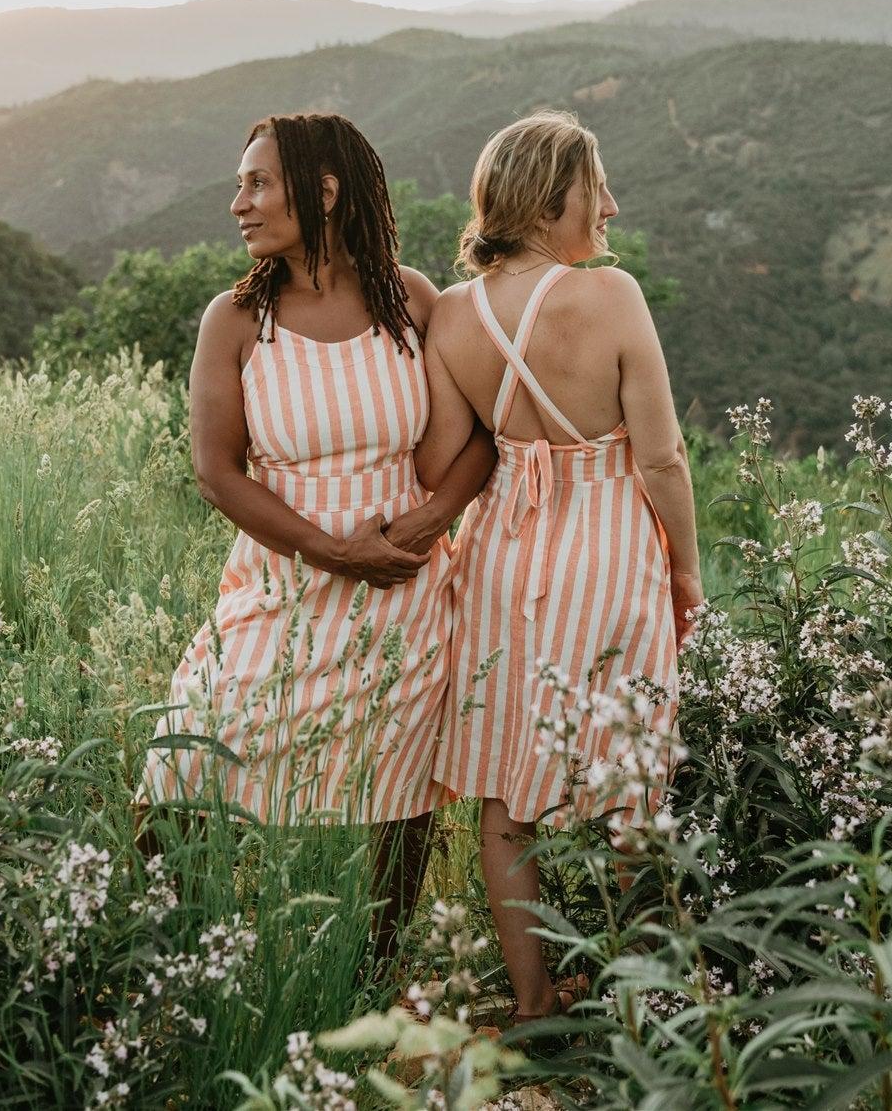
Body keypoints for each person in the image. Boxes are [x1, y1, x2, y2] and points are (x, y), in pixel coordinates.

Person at [136, 111, 492, 966]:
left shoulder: (410, 299)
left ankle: (380, 964)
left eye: (257, 183)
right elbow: (218, 473)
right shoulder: (233, 320)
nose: (239, 204)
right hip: (282, 581)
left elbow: (475, 438)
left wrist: (427, 521)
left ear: (324, 191)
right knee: (182, 757)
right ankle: (167, 955)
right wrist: (335, 551)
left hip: (402, 584)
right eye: (239, 185)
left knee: (396, 783)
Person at [412, 109, 701, 1023]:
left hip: (503, 555)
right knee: (630, 781)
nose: (610, 204)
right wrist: (686, 570)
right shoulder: (611, 294)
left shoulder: (454, 318)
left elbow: (441, 463)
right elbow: (661, 459)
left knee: (506, 795)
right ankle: (643, 1000)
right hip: (612, 549)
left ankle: (535, 1001)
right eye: (596, 186)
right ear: (548, 199)